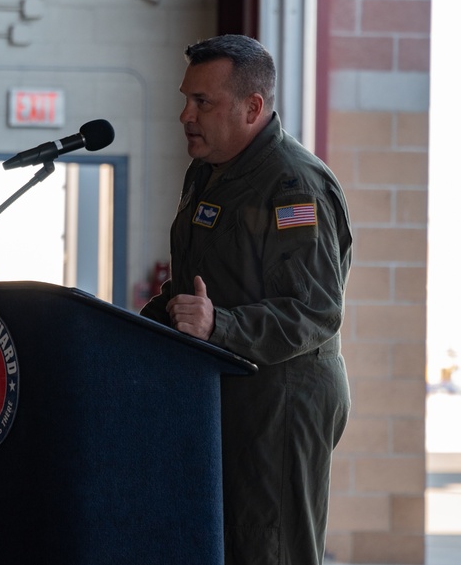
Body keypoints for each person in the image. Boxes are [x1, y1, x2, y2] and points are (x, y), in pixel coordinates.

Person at [140, 34, 353, 565]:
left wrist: (221, 327)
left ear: (252, 107)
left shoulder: (293, 184)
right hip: (225, 390)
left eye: (202, 102)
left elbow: (315, 308)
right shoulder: (208, 173)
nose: (185, 114)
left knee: (270, 550)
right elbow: (202, 284)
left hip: (283, 399)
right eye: (186, 98)